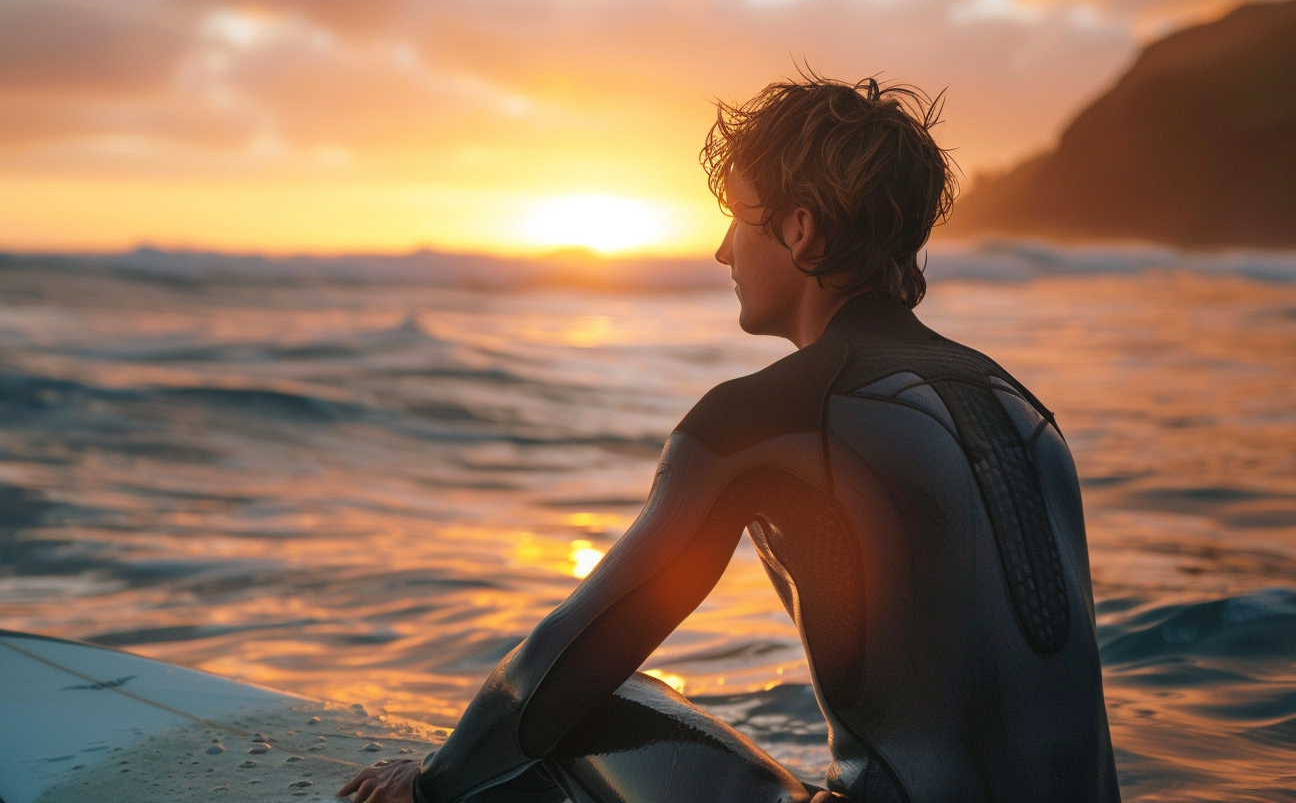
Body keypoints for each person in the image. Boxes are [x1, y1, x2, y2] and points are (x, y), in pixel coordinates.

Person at [338, 73, 1120, 803]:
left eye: (737, 221)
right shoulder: (1023, 410)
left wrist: (432, 784)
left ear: (802, 231)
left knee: (608, 698)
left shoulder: (760, 418)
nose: (721, 252)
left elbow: (578, 652)